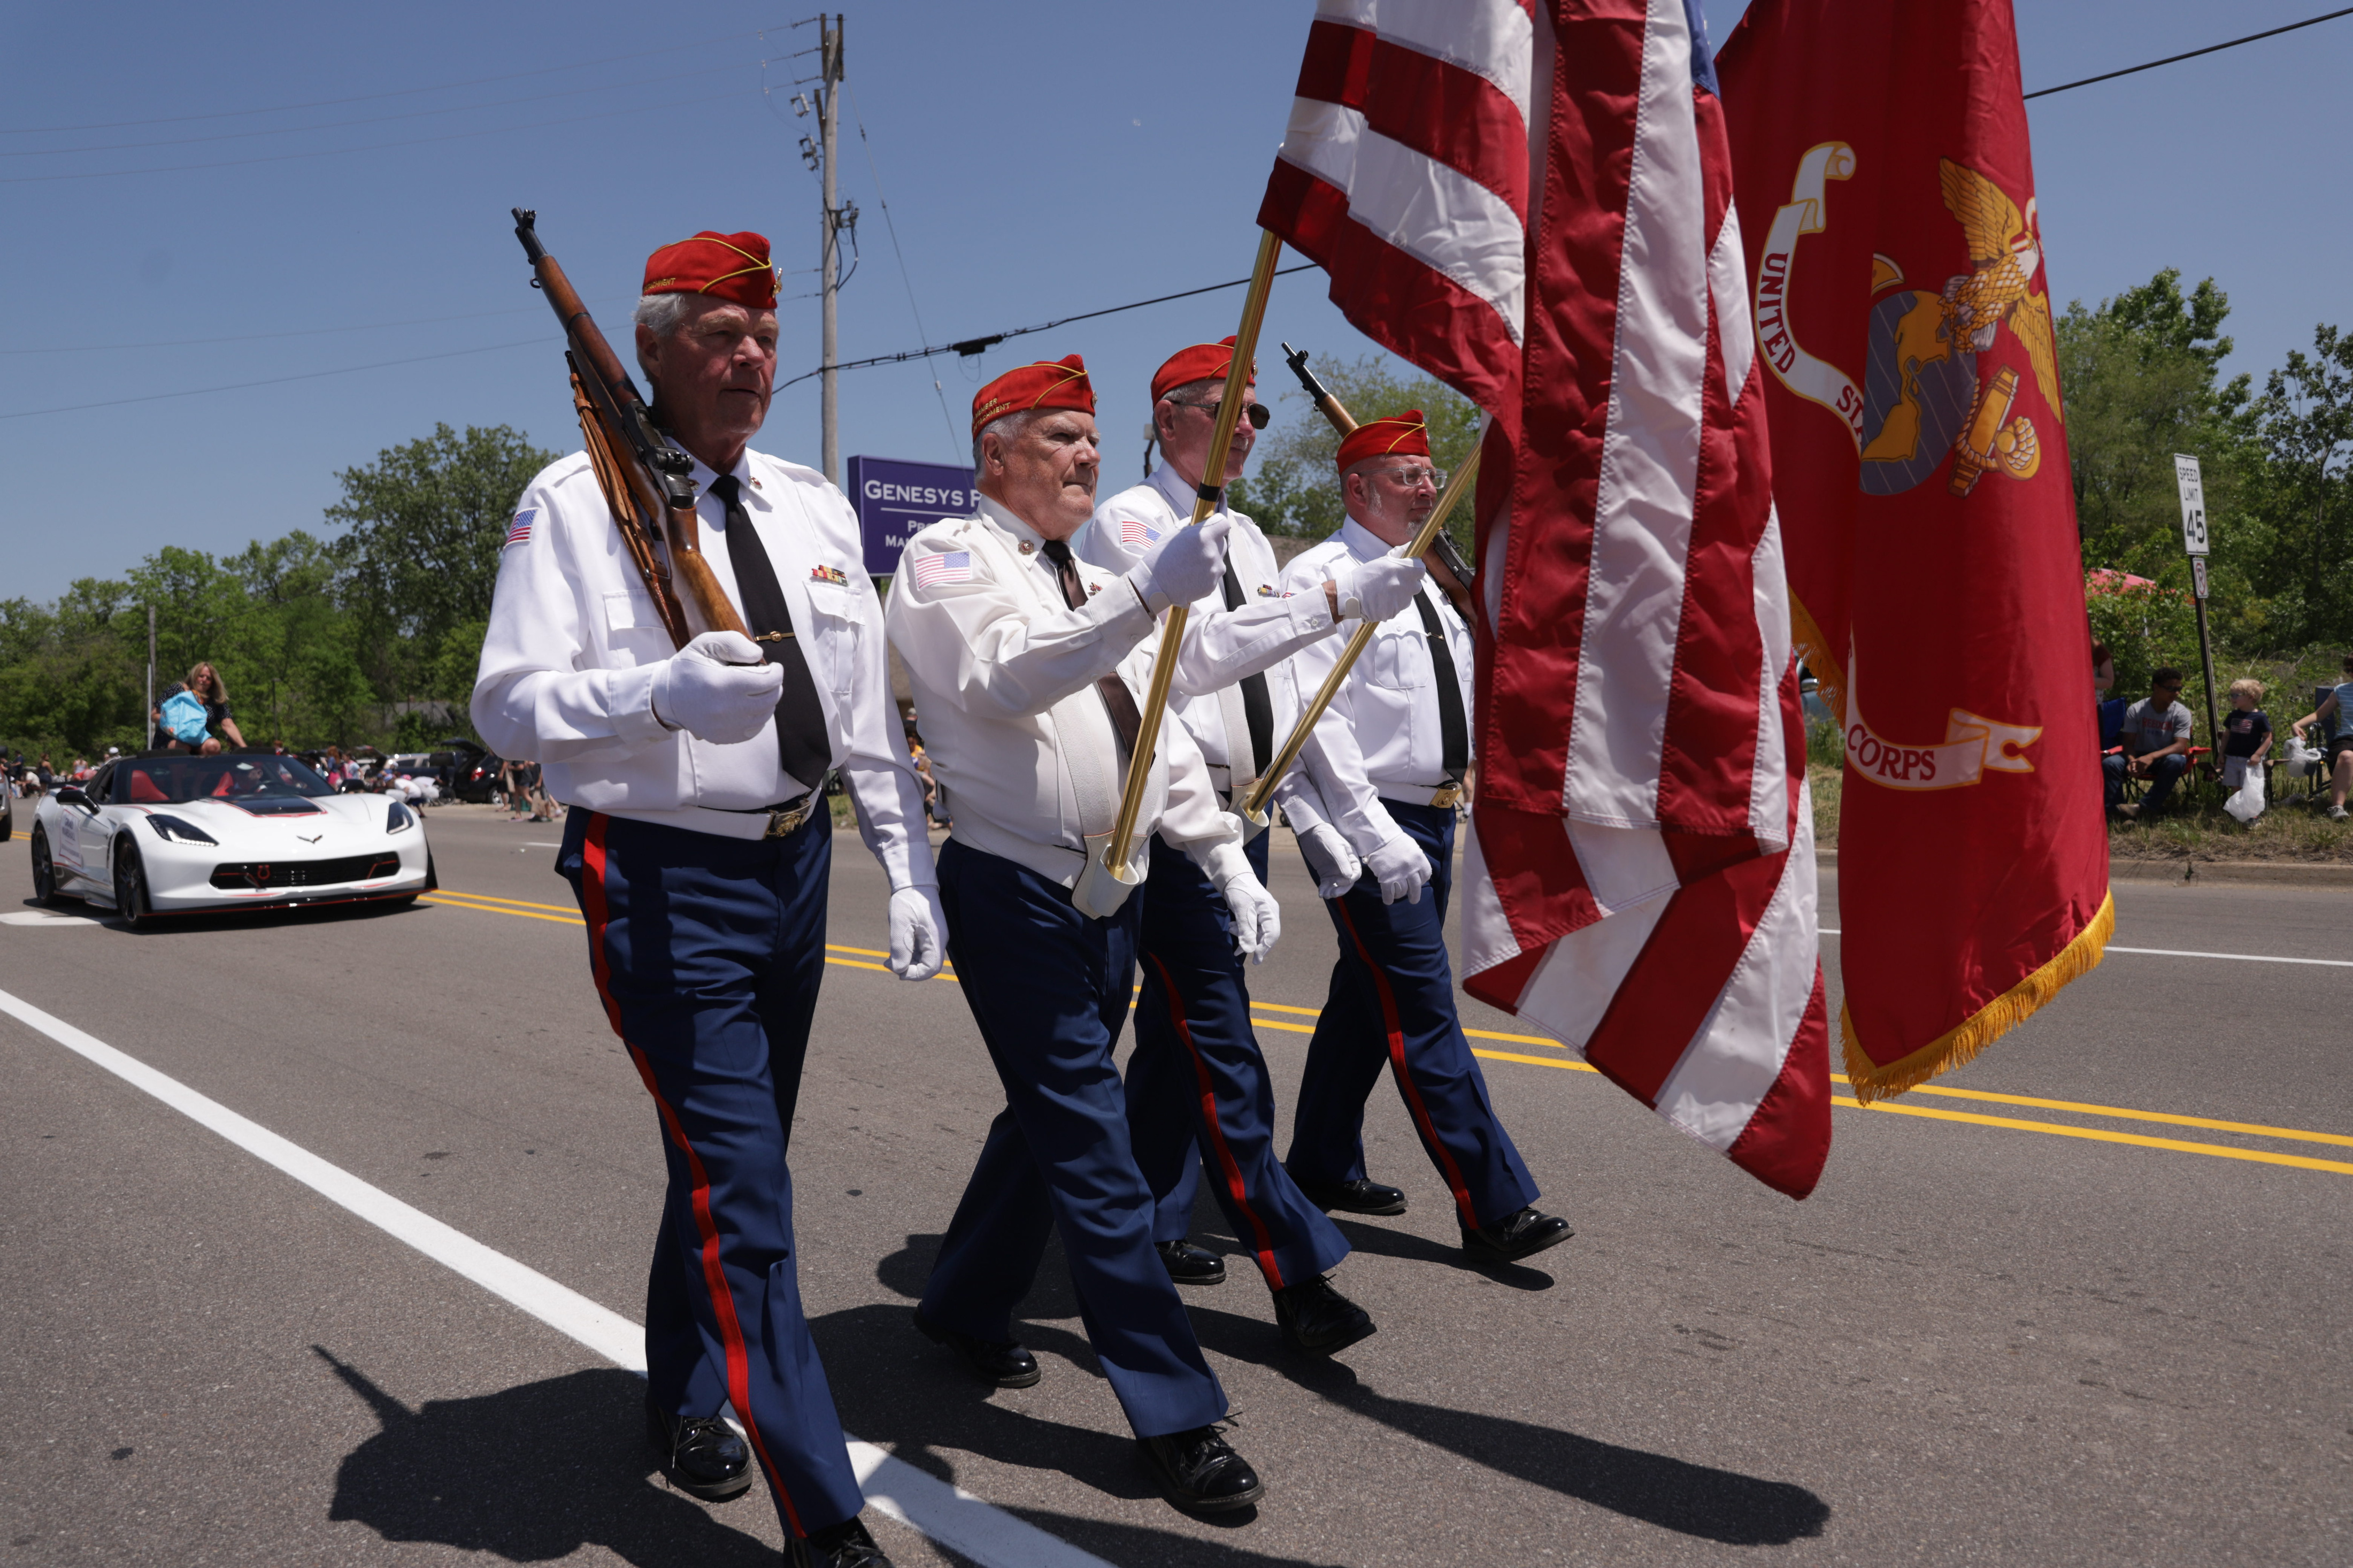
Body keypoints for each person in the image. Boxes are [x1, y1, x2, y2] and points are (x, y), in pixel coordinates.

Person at [472, 227, 940, 1568]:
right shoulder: (570, 501)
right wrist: (651, 693)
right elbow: (502, 708)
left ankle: (682, 1390)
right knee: (747, 1191)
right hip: (663, 872)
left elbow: (859, 714)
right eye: (722, 337)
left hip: (794, 863)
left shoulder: (812, 503)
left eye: (766, 338)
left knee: (729, 1165)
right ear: (654, 349)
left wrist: (903, 864)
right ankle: (822, 1506)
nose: (751, 359)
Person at [886, 354, 1276, 1513]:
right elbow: (1008, 678)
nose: (1086, 456)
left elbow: (1148, 730)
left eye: (1092, 439)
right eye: (1060, 436)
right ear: (996, 451)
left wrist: (1213, 852)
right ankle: (1174, 1408)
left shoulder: (1090, 572)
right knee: (1096, 1148)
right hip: (1016, 894)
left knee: (1050, 1121)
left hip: (1120, 886)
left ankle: (961, 1300)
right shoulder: (949, 558)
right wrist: (1143, 594)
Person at [1071, 337, 1426, 1352]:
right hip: (1175, 821)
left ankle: (1019, 1265)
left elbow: (1286, 690)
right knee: (1220, 1052)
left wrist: (1345, 819)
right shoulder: (1133, 522)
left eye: (1262, 416)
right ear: (1170, 416)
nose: (1253, 430)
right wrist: (1332, 599)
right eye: (1233, 410)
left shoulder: (1252, 536)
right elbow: (1183, 668)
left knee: (1172, 1053)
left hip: (1244, 814)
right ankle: (1296, 1275)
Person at [1276, 411, 1574, 1266]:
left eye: (1429, 473)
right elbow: (1315, 717)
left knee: (1367, 998)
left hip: (1436, 815)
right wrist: (1370, 833)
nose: (1428, 486)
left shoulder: (1423, 579)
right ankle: (1493, 1205)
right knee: (1421, 1009)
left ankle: (1322, 1163)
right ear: (1356, 488)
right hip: (1372, 821)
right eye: (1408, 475)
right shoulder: (1323, 577)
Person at [2105, 666, 2195, 819]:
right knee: (2110, 763)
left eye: (2179, 689)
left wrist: (2152, 757)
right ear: (2156, 687)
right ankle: (2117, 812)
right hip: (2138, 755)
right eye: (2171, 689)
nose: (2177, 693)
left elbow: (2180, 746)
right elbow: (2128, 743)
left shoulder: (2181, 713)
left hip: (2164, 758)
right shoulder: (2137, 710)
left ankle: (2144, 807)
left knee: (2177, 760)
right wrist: (2132, 761)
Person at [2288, 653, 2353, 821]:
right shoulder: (2342, 690)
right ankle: (2337, 808)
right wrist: (2297, 725)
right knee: (2346, 756)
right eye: (2348, 670)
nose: (2351, 673)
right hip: (2347, 738)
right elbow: (2319, 715)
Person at [2218, 679, 2273, 789]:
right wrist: (2221, 754)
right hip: (2232, 758)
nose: (2232, 698)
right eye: (2231, 695)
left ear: (2251, 697)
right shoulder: (2233, 715)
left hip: (2249, 760)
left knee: (2248, 787)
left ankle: (2248, 806)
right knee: (2235, 786)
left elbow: (2268, 737)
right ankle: (2236, 806)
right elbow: (2226, 736)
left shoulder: (2260, 717)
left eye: (2236, 695)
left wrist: (2258, 755)